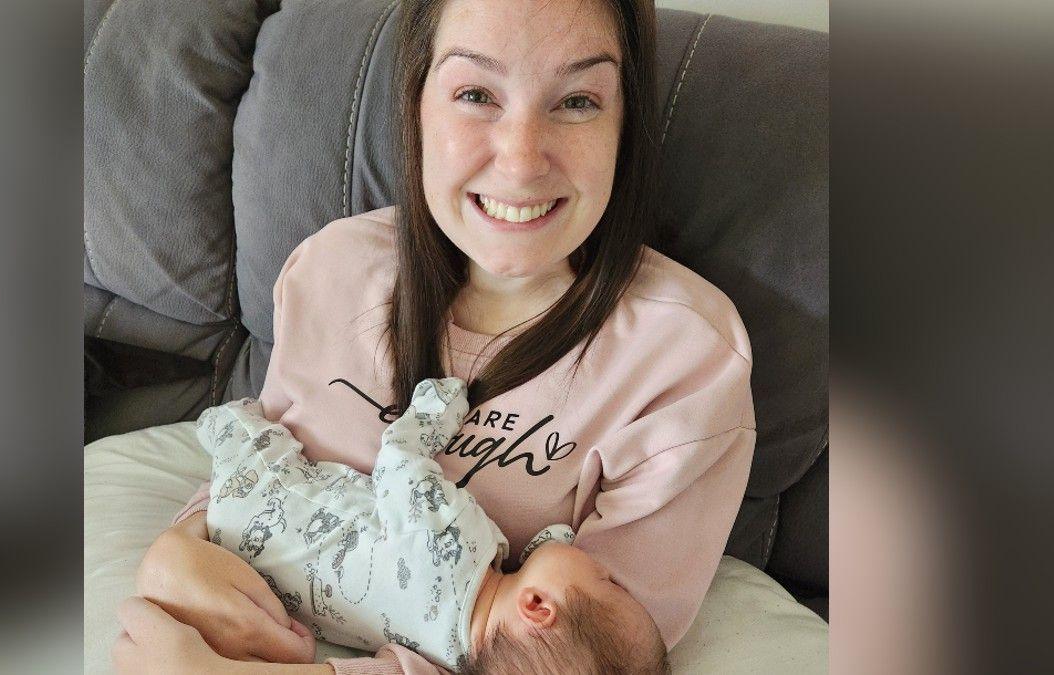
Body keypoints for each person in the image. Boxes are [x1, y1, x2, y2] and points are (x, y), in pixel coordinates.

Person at [114, 0, 755, 673]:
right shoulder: (330, 271)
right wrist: (181, 547)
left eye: (576, 101)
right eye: (476, 93)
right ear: (418, 102)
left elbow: (575, 661)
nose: (520, 160)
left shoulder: (684, 361)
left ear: (625, 121)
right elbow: (270, 459)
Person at [197, 378, 667, 673]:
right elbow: (545, 560)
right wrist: (554, 546)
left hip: (259, 502)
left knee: (246, 433)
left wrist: (433, 410)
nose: (598, 563)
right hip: (253, 570)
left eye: (607, 580)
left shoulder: (455, 547)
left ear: (538, 606)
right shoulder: (452, 658)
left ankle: (220, 423)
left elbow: (399, 462)